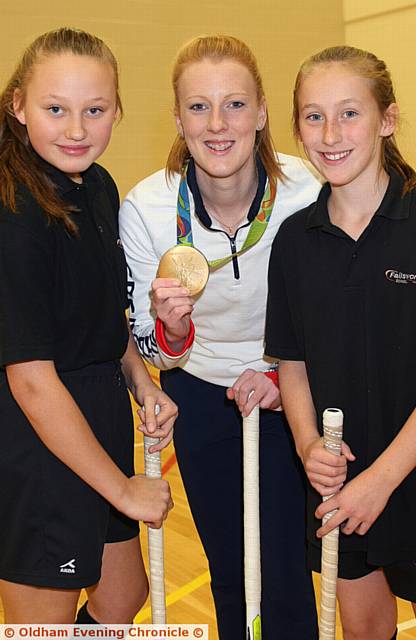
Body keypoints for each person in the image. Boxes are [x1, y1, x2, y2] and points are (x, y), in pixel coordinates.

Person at [119, 35, 321, 639]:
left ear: (261, 113)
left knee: (286, 566)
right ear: (178, 118)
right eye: (199, 107)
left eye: (235, 105)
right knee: (231, 570)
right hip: (202, 390)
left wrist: (282, 378)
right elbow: (150, 349)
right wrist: (173, 328)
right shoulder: (147, 208)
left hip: (293, 385)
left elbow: (330, 318)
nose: (218, 124)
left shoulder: (309, 192)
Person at [0, 27, 176, 624]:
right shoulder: (16, 212)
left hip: (99, 419)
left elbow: (106, 315)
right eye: (56, 109)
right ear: (18, 106)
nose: (76, 130)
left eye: (94, 110)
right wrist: (125, 490)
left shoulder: (97, 186)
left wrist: (141, 381)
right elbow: (29, 379)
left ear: (117, 111)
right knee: (41, 627)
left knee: (123, 596)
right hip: (40, 435)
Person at [265, 45, 416, 640]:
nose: (329, 134)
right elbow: (293, 362)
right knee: (364, 629)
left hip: (397, 469)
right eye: (312, 115)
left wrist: (380, 481)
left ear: (388, 120)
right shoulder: (294, 243)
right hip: (343, 480)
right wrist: (307, 447)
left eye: (350, 113)